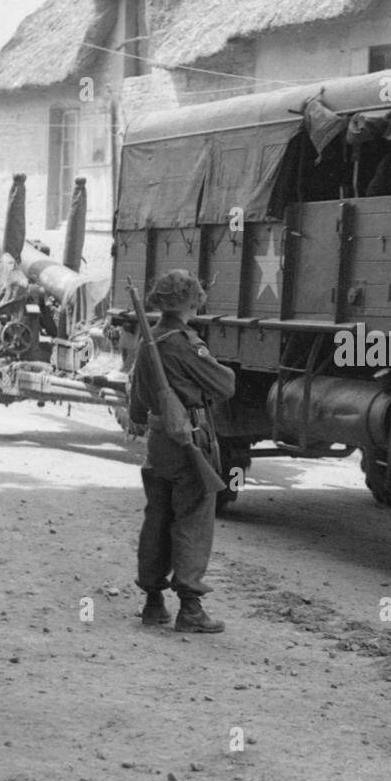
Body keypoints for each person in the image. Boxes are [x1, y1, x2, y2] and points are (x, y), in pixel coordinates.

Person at [127, 270, 236, 632]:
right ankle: (190, 608)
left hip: (158, 444)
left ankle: (153, 603)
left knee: (157, 519)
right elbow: (225, 384)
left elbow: (138, 404)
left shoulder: (149, 342)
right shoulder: (184, 342)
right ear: (192, 301)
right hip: (190, 439)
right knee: (192, 516)